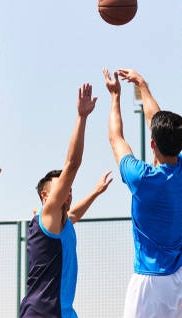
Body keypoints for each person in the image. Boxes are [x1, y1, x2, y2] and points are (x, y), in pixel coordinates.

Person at [103, 68, 182, 318]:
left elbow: (115, 138)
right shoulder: (181, 170)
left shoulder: (142, 179)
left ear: (152, 143)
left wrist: (115, 96)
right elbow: (157, 120)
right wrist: (142, 85)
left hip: (152, 280)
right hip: (181, 276)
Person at [19, 83, 112, 318]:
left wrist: (95, 192)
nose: (68, 192)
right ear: (45, 197)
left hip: (64, 312)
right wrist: (81, 117)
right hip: (42, 313)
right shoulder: (47, 215)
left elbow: (74, 215)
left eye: (70, 189)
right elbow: (72, 164)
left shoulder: (62, 223)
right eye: (63, 188)